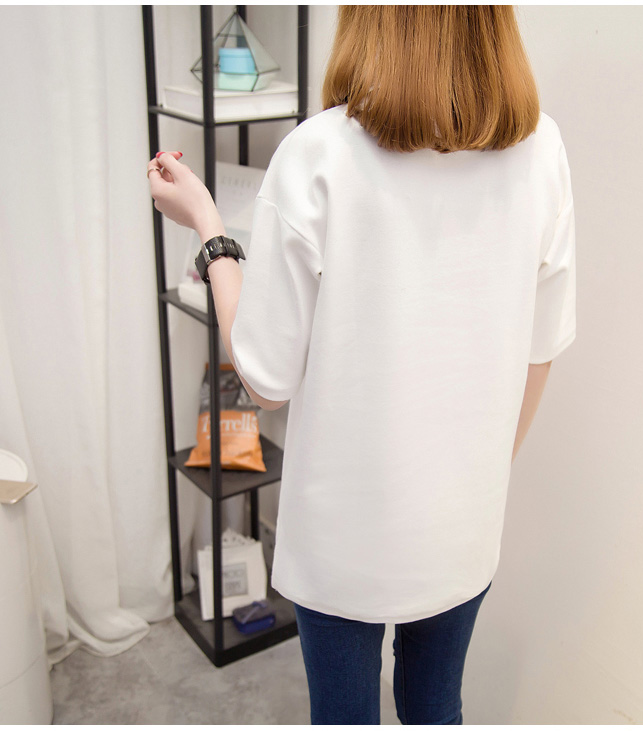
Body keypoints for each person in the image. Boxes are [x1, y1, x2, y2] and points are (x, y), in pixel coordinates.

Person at [148, 5, 576, 724]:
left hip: (343, 535)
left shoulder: (318, 154)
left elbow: (264, 378)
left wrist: (209, 226)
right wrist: (471, 480)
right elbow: (542, 347)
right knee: (435, 703)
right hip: (464, 523)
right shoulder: (543, 150)